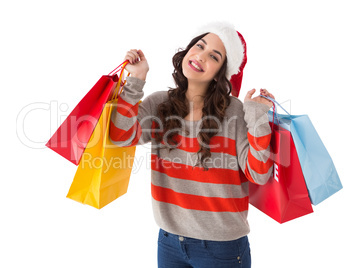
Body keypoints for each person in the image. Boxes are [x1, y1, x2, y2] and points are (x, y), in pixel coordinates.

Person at [109, 21, 275, 268]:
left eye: (214, 56)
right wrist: (137, 78)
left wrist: (257, 116)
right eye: (200, 45)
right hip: (169, 242)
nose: (200, 56)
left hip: (223, 249)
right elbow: (120, 135)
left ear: (221, 73)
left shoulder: (235, 112)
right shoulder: (160, 105)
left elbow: (259, 174)